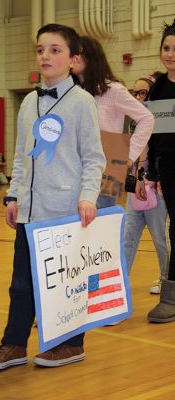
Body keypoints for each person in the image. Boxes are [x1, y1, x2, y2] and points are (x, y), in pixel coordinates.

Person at [0, 23, 106, 369]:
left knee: (66, 281)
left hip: (65, 209)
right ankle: (14, 343)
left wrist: (88, 196)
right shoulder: (29, 101)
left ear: (73, 60)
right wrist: (13, 196)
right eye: (41, 49)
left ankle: (72, 343)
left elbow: (93, 158)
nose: (45, 55)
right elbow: (20, 154)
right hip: (30, 210)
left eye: (55, 50)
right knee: (21, 283)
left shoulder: (82, 102)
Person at [71, 36, 154, 208]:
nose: (72, 58)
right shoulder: (70, 92)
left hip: (106, 171)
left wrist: (129, 156)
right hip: (74, 170)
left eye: (77, 53)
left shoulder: (113, 90)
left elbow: (146, 118)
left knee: (100, 229)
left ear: (91, 56)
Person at [137, 19, 175, 323]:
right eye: (166, 48)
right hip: (166, 166)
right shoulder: (158, 85)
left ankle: (170, 296)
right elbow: (153, 133)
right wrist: (150, 172)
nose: (170, 54)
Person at [124, 74, 169, 295]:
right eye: (135, 93)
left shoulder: (161, 122)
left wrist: (154, 175)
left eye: (143, 92)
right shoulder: (132, 123)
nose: (138, 97)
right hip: (134, 188)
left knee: (160, 239)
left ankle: (165, 279)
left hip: (156, 188)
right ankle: (121, 282)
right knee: (128, 237)